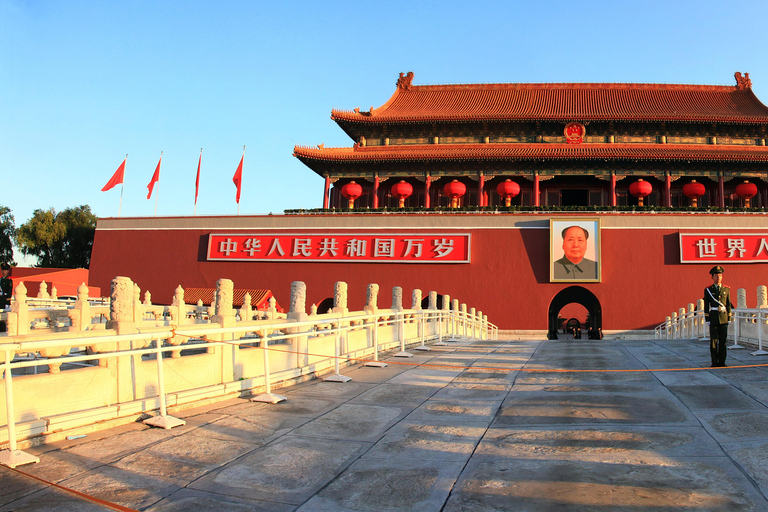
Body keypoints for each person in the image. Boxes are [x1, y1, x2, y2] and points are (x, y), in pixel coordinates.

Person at [703, 265, 732, 367]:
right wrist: (707, 319)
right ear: (712, 277)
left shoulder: (726, 289)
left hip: (723, 319)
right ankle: (714, 362)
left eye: (720, 275)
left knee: (723, 342)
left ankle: (722, 362)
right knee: (714, 342)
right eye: (716, 275)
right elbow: (706, 306)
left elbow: (728, 304)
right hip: (714, 318)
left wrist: (729, 318)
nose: (718, 277)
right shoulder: (708, 290)